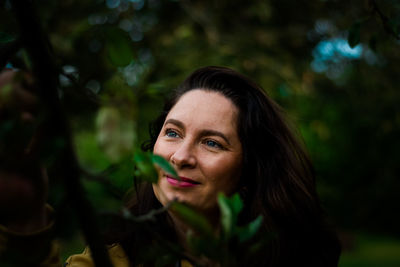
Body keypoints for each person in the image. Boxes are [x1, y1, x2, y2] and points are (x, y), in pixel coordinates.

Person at [0, 66, 341, 266]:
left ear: (250, 172)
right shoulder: (113, 260)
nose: (180, 157)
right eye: (173, 133)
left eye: (211, 142)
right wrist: (25, 218)